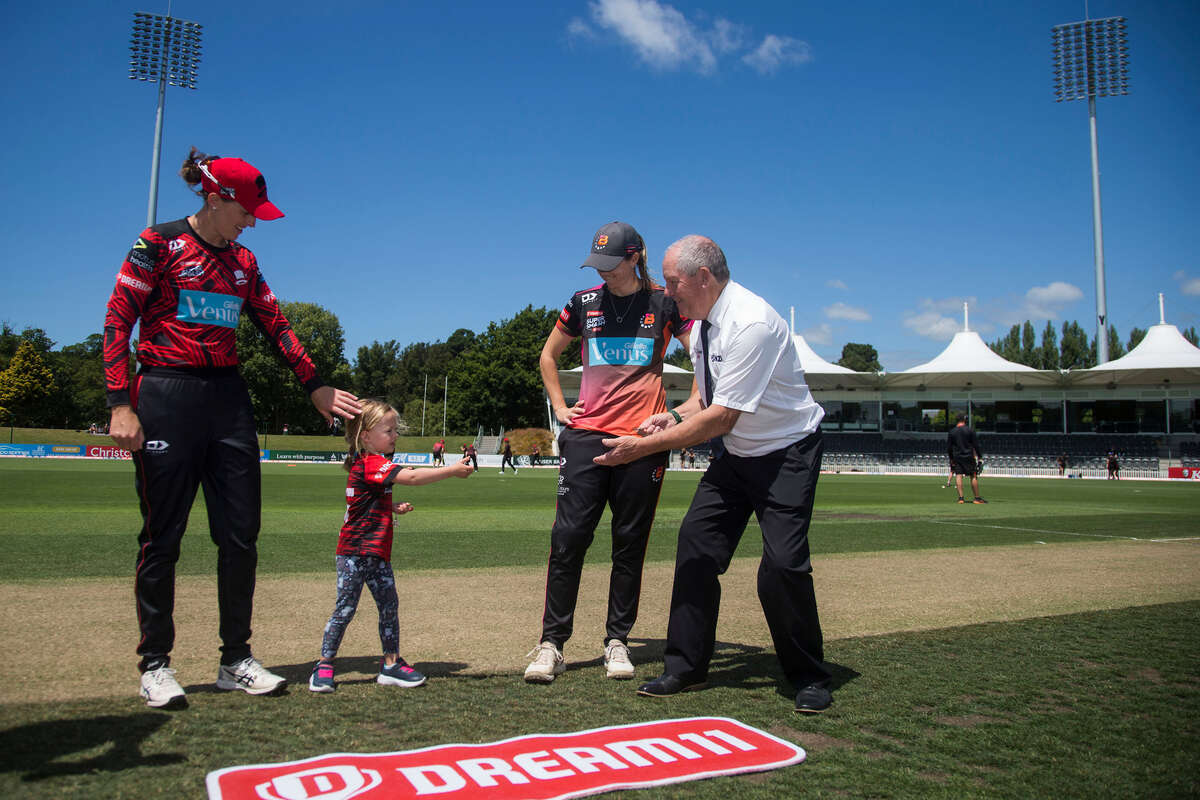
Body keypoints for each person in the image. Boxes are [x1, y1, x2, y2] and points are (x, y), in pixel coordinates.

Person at [104, 148, 362, 709]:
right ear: (215, 197)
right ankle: (156, 665)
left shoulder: (243, 263)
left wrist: (314, 384)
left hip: (228, 400)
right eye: (247, 210)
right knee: (162, 538)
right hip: (164, 395)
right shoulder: (157, 243)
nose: (251, 221)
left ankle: (235, 658)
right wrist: (120, 403)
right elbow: (117, 317)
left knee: (240, 536)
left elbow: (275, 322)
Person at [595, 234, 831, 714]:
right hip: (737, 456)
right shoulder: (703, 323)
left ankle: (809, 675)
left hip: (787, 454)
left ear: (703, 277)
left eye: (673, 281)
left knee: (782, 566)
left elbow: (723, 417)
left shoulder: (752, 324)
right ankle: (685, 667)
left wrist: (640, 447)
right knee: (697, 547)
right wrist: (675, 416)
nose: (667, 291)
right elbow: (706, 399)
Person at [525, 221, 692, 683]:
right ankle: (551, 644)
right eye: (596, 264)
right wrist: (560, 407)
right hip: (586, 438)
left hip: (643, 442)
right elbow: (547, 356)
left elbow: (705, 354)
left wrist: (681, 413)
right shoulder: (582, 302)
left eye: (611, 264)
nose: (604, 273)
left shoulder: (664, 304)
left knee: (629, 545)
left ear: (634, 257)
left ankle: (617, 641)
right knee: (568, 541)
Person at [309, 399, 473, 693]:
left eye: (395, 430)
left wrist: (391, 508)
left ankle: (391, 664)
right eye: (389, 430)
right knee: (344, 610)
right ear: (365, 435)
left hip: (376, 555)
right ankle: (323, 665)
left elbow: (365, 502)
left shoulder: (371, 463)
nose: (394, 435)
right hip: (355, 555)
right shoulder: (371, 462)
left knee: (388, 607)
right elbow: (409, 477)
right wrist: (451, 470)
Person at [947, 414, 986, 504]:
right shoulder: (970, 430)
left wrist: (951, 458)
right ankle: (977, 498)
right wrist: (980, 456)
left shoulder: (952, 432)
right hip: (968, 456)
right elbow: (976, 445)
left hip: (957, 456)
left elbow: (949, 447)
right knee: (973, 475)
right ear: (964, 420)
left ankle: (961, 498)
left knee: (958, 475)